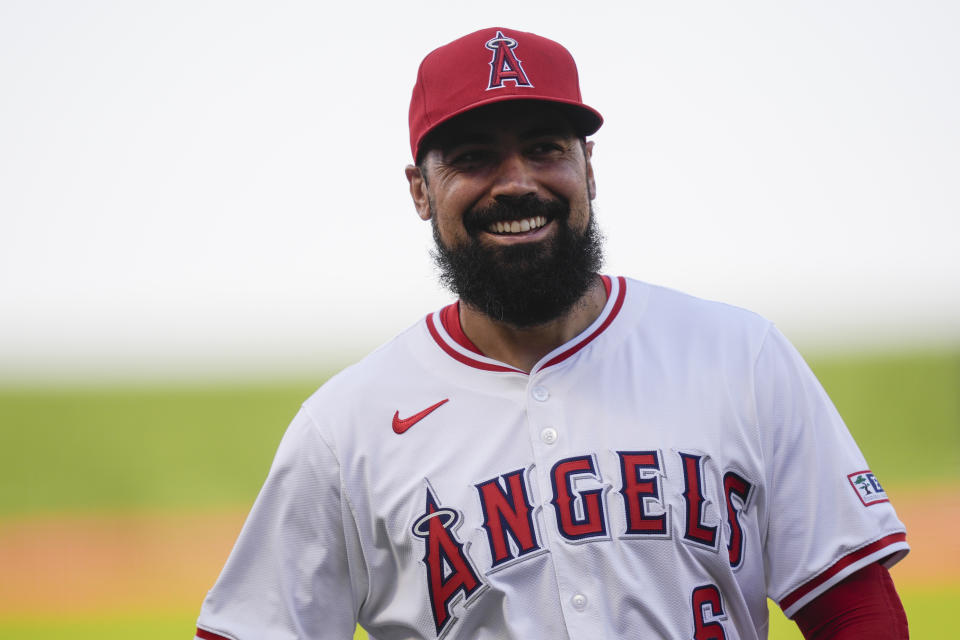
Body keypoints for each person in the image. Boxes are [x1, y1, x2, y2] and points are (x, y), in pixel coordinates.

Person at [194, 27, 909, 639]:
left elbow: (855, 610)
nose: (517, 183)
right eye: (474, 157)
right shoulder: (345, 428)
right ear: (419, 189)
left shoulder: (740, 356)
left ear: (588, 168)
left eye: (544, 148)